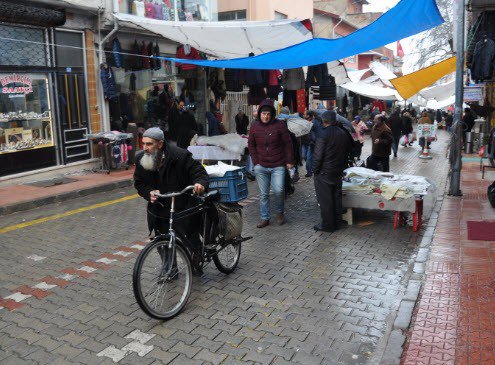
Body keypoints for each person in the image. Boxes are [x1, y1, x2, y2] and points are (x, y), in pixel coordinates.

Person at [133, 127, 208, 274]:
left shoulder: (179, 155)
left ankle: (196, 258)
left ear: (160, 144)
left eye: (149, 144)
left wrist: (200, 184)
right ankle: (170, 268)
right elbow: (139, 183)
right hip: (159, 206)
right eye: (143, 144)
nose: (145, 148)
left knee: (189, 237)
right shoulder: (141, 158)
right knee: (162, 240)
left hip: (182, 204)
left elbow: (199, 172)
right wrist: (149, 193)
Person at [248, 99, 294, 228]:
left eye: (268, 114)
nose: (266, 116)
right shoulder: (254, 126)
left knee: (279, 191)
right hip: (261, 166)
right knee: (263, 194)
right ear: (259, 114)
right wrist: (256, 162)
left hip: (278, 164)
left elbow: (288, 143)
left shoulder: (279, 125)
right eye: (263, 114)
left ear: (272, 114)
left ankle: (280, 212)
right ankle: (265, 218)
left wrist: (289, 161)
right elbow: (251, 144)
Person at [312, 110, 352, 233]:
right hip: (338, 170)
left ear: (324, 121)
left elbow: (318, 155)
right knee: (336, 197)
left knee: (325, 200)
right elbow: (348, 151)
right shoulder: (343, 133)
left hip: (325, 171)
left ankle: (328, 225)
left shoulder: (323, 134)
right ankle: (337, 222)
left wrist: (315, 170)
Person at [302, 110, 316, 177]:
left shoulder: (313, 123)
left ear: (309, 116)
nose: (304, 115)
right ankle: (311, 167)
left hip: (311, 144)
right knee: (304, 156)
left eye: (305, 114)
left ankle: (309, 172)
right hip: (304, 143)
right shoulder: (303, 122)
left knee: (308, 159)